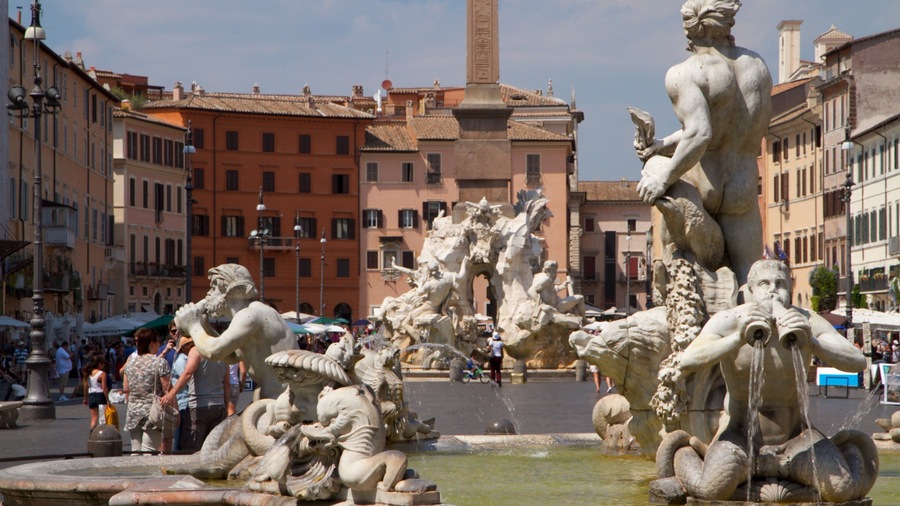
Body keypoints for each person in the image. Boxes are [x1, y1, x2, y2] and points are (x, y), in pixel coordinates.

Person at [667, 260, 870, 501]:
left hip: (797, 440)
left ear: (790, 290)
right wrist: (737, 338)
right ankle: (685, 453)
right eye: (764, 284)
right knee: (712, 489)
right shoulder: (730, 319)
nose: (773, 290)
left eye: (780, 284)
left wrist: (813, 343)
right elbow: (688, 360)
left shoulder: (806, 320)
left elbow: (857, 361)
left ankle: (845, 452)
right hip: (741, 438)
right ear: (751, 291)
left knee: (841, 490)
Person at [634, 0, 772, 286]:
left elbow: (700, 134)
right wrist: (662, 143)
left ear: (690, 29)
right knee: (750, 282)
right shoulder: (757, 67)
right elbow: (726, 125)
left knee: (680, 270)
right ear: (727, 24)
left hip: (703, 184)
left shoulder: (685, 73)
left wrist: (663, 176)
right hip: (743, 185)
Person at [174, 264, 298, 399]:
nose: (208, 294)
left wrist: (193, 326)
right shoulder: (255, 313)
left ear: (233, 290)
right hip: (280, 395)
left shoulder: (249, 315)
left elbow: (213, 351)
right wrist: (205, 327)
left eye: (215, 287)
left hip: (284, 399)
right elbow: (231, 356)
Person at [160, 334, 230, 453]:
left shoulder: (196, 350)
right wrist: (226, 406)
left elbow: (187, 373)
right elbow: (227, 384)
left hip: (198, 407)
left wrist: (171, 394)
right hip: (218, 406)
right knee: (214, 449)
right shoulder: (222, 352)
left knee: (191, 448)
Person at [122, 328, 171, 453]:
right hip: (152, 412)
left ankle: (135, 472)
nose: (159, 344)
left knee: (136, 451)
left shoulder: (130, 363)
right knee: (149, 451)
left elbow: (126, 389)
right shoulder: (160, 363)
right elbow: (167, 389)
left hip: (133, 411)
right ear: (151, 343)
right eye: (158, 341)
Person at [169, 333, 192, 452]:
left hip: (185, 400)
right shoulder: (181, 361)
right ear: (183, 347)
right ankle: (177, 454)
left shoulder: (187, 359)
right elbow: (187, 379)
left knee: (184, 432)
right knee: (180, 433)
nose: (192, 346)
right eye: (190, 344)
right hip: (183, 401)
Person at [81, 353, 108, 431]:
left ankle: (92, 433)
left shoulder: (88, 374)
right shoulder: (102, 374)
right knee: (102, 418)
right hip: (100, 396)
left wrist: (85, 398)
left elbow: (86, 387)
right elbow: (104, 388)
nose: (103, 366)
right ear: (99, 364)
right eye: (103, 364)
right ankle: (102, 434)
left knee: (94, 418)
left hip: (91, 396)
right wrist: (108, 400)